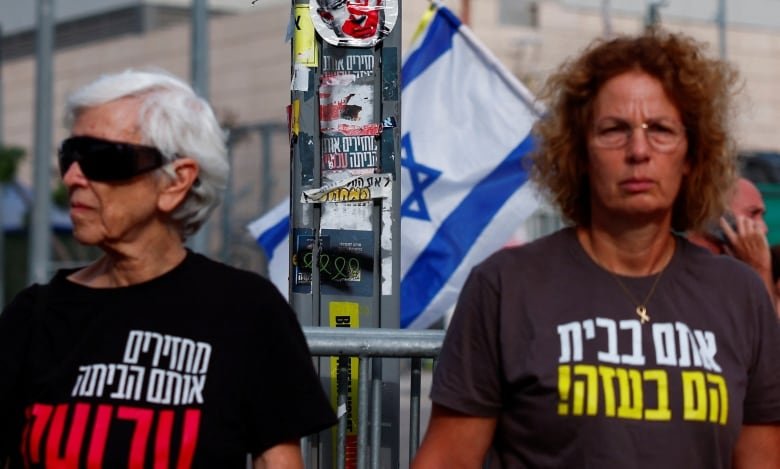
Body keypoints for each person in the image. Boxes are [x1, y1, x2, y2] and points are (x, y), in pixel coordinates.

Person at [412, 31, 780, 468]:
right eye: (613, 130)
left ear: (691, 157)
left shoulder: (739, 295)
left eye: (661, 129)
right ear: (580, 154)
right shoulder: (506, 285)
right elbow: (448, 460)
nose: (638, 150)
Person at [0, 69, 336, 468]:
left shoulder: (246, 310)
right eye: (70, 156)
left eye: (101, 158)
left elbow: (277, 462)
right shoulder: (34, 316)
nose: (73, 177)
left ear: (176, 182)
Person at [689, 177, 779, 312]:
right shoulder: (689, 273)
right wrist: (760, 269)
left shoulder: (756, 265)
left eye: (762, 216)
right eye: (753, 214)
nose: (764, 228)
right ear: (716, 215)